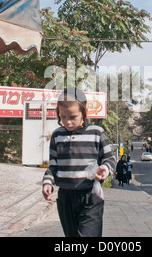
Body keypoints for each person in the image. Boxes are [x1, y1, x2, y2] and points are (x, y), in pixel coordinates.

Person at [42, 88, 116, 237]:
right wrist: (48, 182)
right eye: (63, 117)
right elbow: (53, 165)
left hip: (90, 196)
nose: (68, 122)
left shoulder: (96, 133)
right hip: (65, 198)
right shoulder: (57, 135)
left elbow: (110, 159)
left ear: (83, 113)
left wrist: (105, 169)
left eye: (73, 117)